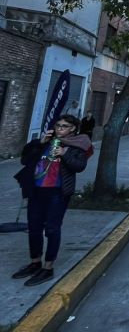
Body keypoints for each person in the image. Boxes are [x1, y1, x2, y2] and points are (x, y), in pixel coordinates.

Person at [11, 115, 92, 286]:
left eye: (64, 126)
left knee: (52, 229)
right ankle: (35, 262)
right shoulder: (46, 142)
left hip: (58, 192)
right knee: (34, 228)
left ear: (73, 129)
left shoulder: (77, 145)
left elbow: (79, 166)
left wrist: (64, 153)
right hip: (37, 191)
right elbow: (25, 160)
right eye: (58, 125)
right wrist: (39, 144)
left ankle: (48, 267)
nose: (60, 128)